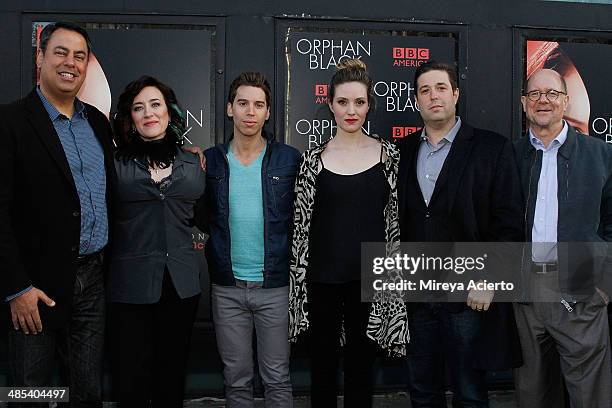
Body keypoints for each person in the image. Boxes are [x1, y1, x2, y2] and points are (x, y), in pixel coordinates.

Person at [0, 22, 116, 406]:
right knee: (31, 393)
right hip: (36, 289)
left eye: (79, 56)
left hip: (92, 282)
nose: (71, 63)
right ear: (40, 57)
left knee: (86, 391)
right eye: (61, 52)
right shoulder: (11, 122)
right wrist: (17, 288)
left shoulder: (98, 123)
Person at [397, 61, 523, 407]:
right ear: (417, 101)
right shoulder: (403, 152)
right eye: (425, 90)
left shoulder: (491, 148)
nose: (433, 96)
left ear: (455, 94)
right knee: (422, 391)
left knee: (470, 393)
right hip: (417, 297)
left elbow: (509, 223)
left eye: (440, 88)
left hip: (467, 297)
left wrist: (490, 278)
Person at [289, 59, 409, 408]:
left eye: (359, 102)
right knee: (322, 372)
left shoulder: (389, 156)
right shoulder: (312, 160)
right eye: (343, 102)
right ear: (330, 105)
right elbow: (301, 230)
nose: (351, 110)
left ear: (369, 104)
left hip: (371, 282)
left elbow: (396, 223)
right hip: (321, 282)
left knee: (361, 373)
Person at [513, 68, 612, 408]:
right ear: (524, 103)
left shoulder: (601, 155)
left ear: (566, 101)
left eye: (552, 93)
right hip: (526, 294)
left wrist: (604, 285)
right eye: (535, 94)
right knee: (533, 393)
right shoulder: (509, 156)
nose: (544, 100)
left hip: (581, 292)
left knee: (590, 397)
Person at [201, 72, 299, 408]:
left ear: (268, 112)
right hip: (227, 288)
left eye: (258, 105)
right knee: (236, 380)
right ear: (230, 109)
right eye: (243, 103)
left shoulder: (288, 159)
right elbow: (199, 215)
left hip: (274, 286)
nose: (250, 111)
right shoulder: (210, 161)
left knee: (278, 378)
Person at [107, 75, 205, 407]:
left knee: (171, 374)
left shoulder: (194, 163)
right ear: (131, 120)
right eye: (139, 108)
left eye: (155, 104)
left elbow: (206, 221)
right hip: (128, 286)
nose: (149, 113)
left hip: (181, 284)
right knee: (130, 378)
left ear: (169, 112)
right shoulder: (114, 164)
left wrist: (194, 242)